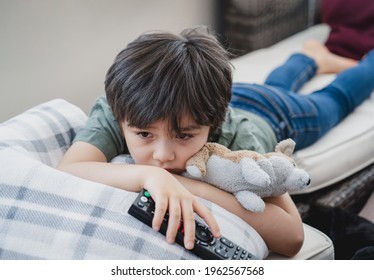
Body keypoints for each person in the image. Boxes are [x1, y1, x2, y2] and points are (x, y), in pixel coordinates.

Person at [57, 26, 374, 257]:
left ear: (214, 125)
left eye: (184, 136)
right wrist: (147, 175)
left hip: (276, 113)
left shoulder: (239, 136)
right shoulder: (122, 110)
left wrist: (185, 186)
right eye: (144, 135)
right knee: (278, 83)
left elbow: (292, 236)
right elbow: (69, 169)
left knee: (334, 99)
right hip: (221, 99)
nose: (163, 156)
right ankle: (311, 58)